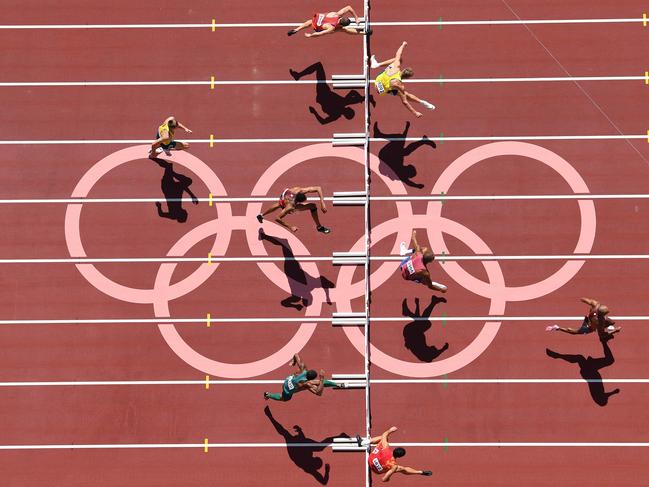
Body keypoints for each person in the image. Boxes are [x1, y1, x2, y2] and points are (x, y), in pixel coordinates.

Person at [370, 42, 435, 118]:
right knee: (405, 94)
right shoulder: (400, 86)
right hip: (380, 90)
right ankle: (422, 102)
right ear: (407, 78)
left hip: (378, 80)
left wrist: (403, 45)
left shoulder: (396, 66)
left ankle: (377, 64)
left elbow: (398, 54)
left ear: (403, 70)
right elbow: (405, 102)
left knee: (397, 59)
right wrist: (415, 112)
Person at [263, 354, 344, 401]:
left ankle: (337, 385)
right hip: (287, 390)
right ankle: (268, 395)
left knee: (318, 383)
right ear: (310, 378)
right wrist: (322, 378)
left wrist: (293, 362)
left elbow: (296, 355)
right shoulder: (306, 384)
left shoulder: (303, 368)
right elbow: (318, 393)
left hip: (288, 380)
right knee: (284, 399)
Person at [366, 426, 432, 482]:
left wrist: (390, 430)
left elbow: (384, 434)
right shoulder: (393, 465)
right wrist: (388, 479)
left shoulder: (386, 447)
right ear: (400, 457)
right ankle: (420, 472)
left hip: (370, 460)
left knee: (383, 438)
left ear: (394, 449)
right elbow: (384, 479)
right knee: (401, 468)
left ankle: (366, 442)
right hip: (375, 470)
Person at [257, 186, 331, 234]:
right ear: (299, 202)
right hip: (287, 202)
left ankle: (261, 215)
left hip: (285, 194)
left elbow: (318, 188)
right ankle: (319, 227)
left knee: (279, 204)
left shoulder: (298, 190)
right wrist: (290, 227)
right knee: (313, 206)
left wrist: (322, 202)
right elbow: (277, 218)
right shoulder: (290, 206)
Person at [546, 297, 621, 339]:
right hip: (589, 327)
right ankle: (558, 328)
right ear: (602, 315)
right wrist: (615, 331)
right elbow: (602, 335)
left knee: (611, 322)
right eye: (606, 313)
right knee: (574, 332)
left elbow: (588, 300)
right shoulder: (599, 322)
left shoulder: (596, 305)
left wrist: (581, 299)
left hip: (589, 317)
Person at [151, 158, 198, 222]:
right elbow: (161, 214)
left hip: (168, 187)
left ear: (182, 215)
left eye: (186, 214)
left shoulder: (174, 214)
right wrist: (159, 206)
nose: (187, 213)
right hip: (171, 188)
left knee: (169, 166)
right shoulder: (173, 215)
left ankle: (152, 157)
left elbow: (183, 187)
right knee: (187, 181)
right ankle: (172, 173)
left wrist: (192, 195)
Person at [287, 5, 370, 38]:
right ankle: (365, 33)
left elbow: (348, 7)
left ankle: (296, 29)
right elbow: (320, 34)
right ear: (342, 24)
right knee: (345, 30)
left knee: (309, 22)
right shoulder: (331, 28)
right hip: (318, 27)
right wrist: (310, 35)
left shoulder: (336, 14)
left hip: (316, 20)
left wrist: (356, 18)